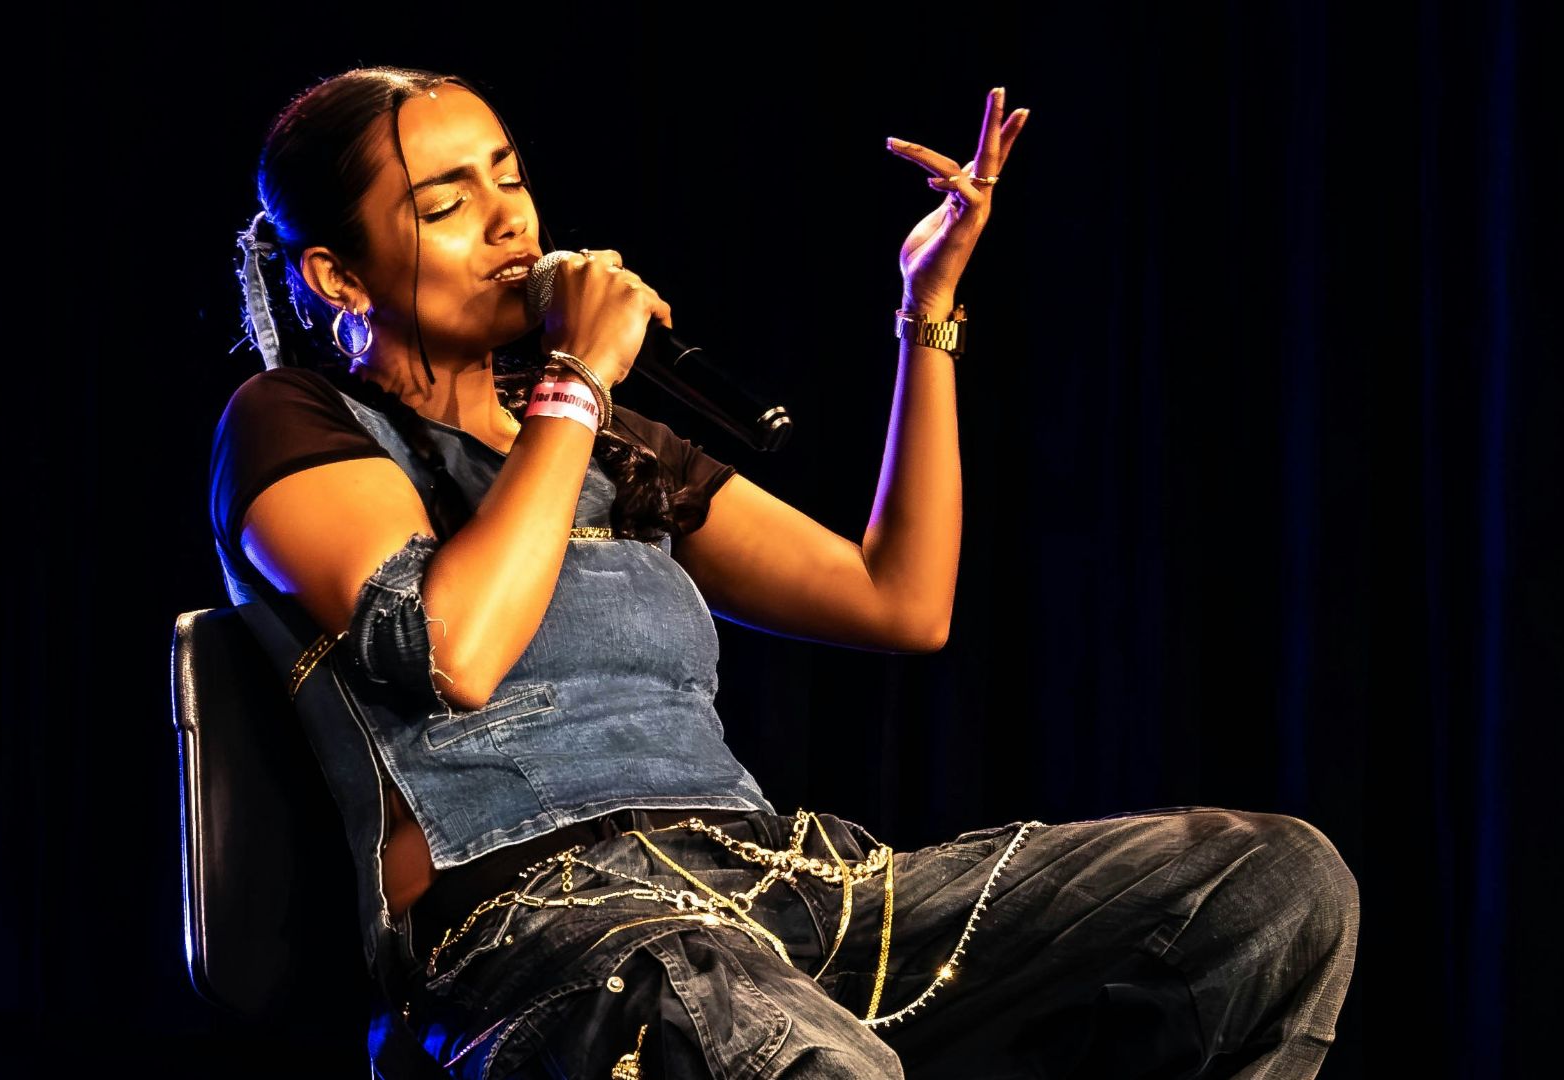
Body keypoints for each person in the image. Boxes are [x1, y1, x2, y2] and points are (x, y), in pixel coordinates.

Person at [208, 66, 1358, 1080]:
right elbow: (451, 650)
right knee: (797, 1055)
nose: (508, 223)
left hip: (784, 888)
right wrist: (575, 381)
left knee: (1267, 889)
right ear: (337, 277)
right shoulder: (299, 419)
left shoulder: (602, 442)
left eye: (509, 179)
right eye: (446, 204)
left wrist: (927, 313)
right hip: (555, 932)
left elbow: (899, 601)